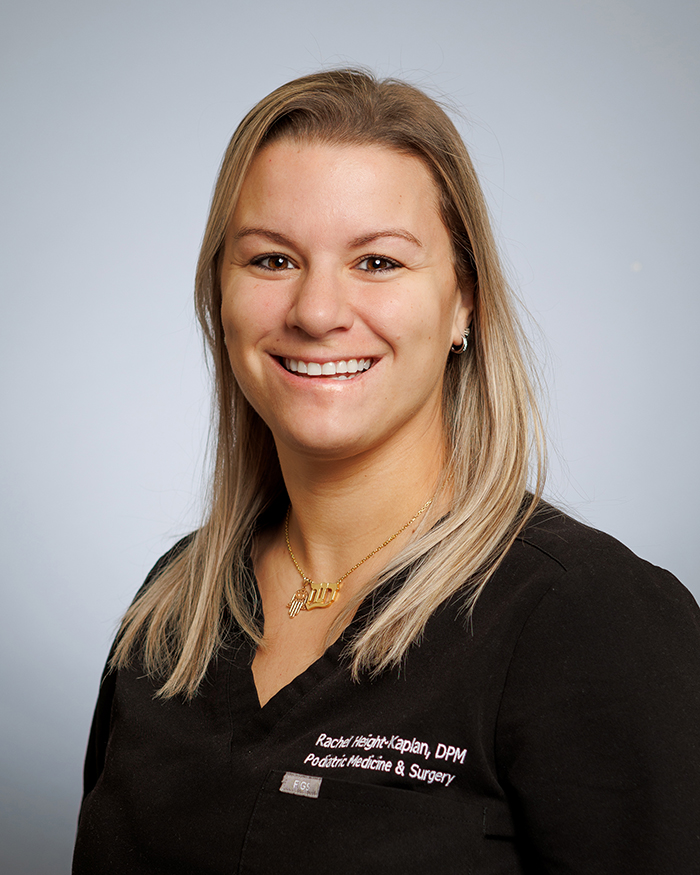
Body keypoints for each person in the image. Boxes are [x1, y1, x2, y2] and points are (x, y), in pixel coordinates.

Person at [72, 69, 700, 874]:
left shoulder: (593, 620)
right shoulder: (172, 611)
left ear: (463, 303)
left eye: (376, 262)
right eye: (271, 259)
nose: (317, 311)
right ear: (218, 296)